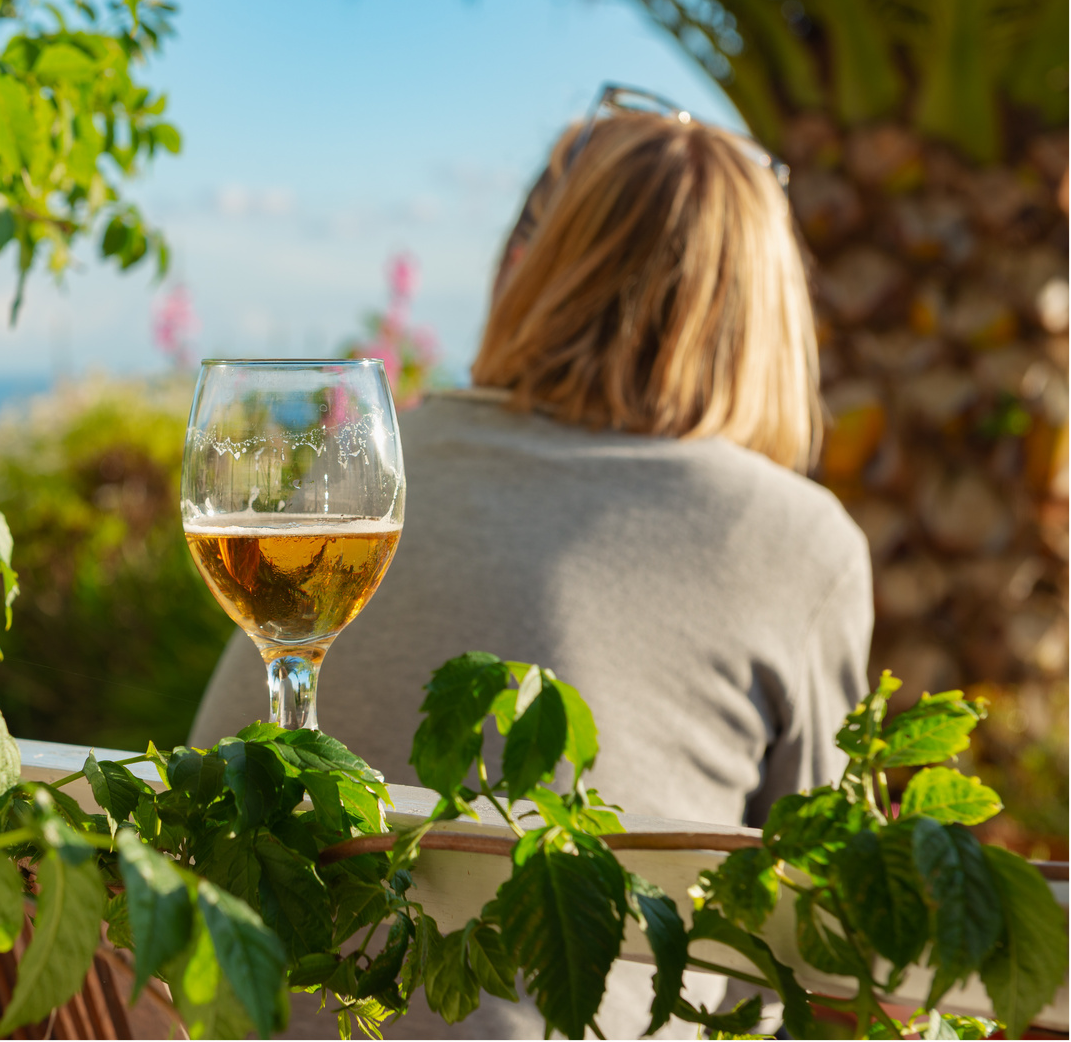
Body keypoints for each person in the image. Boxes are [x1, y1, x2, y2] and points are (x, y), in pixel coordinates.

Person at [189, 88, 873, 1038]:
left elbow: (202, 801)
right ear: (764, 315)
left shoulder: (377, 470)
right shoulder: (798, 543)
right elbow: (825, 933)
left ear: (533, 268)